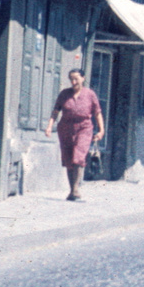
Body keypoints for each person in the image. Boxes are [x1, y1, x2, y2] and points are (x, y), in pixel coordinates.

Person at [46, 69, 105, 202]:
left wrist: (101, 130)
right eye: (71, 79)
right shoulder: (64, 94)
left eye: (76, 79)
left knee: (78, 157)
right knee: (68, 160)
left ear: (83, 78)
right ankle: (72, 190)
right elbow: (56, 111)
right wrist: (50, 126)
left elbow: (97, 113)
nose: (73, 82)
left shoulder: (90, 94)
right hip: (65, 128)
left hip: (84, 128)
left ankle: (75, 189)